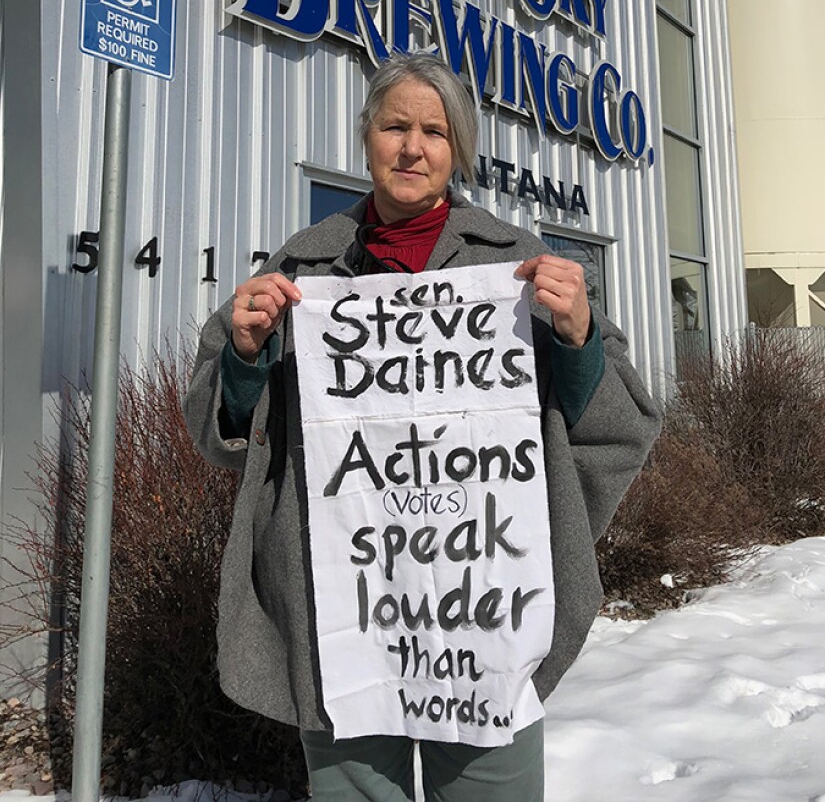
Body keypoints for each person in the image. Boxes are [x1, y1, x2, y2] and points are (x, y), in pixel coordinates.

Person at [185, 53, 662, 802]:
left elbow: (612, 422)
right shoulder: (301, 270)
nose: (413, 146)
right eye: (395, 125)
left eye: (434, 131)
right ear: (366, 137)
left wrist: (578, 338)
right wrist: (244, 356)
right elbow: (223, 430)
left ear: (458, 150)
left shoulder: (517, 268)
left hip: (483, 613)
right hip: (342, 614)